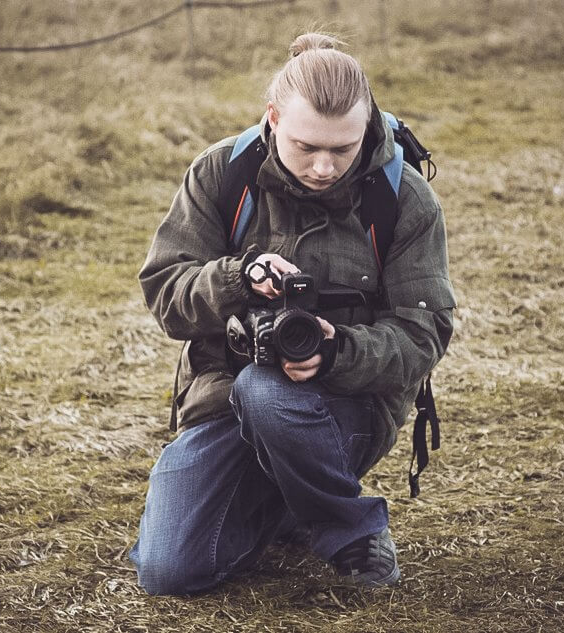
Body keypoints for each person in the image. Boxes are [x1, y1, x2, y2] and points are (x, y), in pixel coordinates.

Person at [131, 32, 455, 595]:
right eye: (307, 147)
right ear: (273, 117)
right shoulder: (221, 175)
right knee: (169, 572)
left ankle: (350, 532)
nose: (326, 167)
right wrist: (238, 278)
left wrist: (335, 352)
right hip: (222, 400)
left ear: (368, 125)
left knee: (268, 391)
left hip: (344, 412)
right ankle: (287, 504)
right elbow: (166, 293)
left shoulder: (400, 197)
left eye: (344, 148)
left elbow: (424, 332)